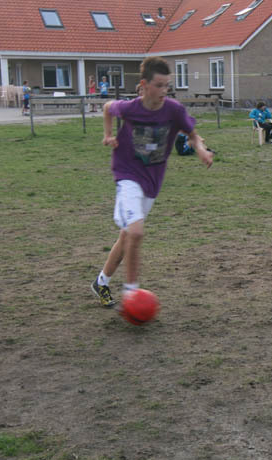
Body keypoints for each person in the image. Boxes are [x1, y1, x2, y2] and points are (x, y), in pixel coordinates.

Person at [91, 56, 213, 308]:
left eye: (167, 85)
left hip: (152, 183)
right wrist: (107, 135)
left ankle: (101, 282)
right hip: (127, 176)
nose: (164, 91)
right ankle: (131, 294)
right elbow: (107, 108)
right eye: (159, 85)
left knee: (127, 237)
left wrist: (201, 149)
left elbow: (193, 134)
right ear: (144, 85)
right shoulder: (130, 108)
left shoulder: (173, 110)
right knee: (136, 232)